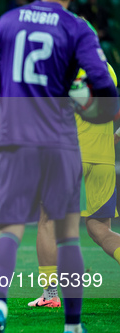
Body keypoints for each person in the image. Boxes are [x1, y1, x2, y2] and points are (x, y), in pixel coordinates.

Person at [0, 0, 119, 333]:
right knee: (73, 235)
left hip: (16, 138)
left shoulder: (8, 21)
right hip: (67, 146)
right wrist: (97, 112)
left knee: (12, 228)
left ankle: (2, 303)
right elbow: (107, 93)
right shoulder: (77, 29)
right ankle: (72, 329)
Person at [30, 63, 120, 308]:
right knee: (99, 230)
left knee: (48, 222)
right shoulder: (107, 70)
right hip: (103, 159)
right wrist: (116, 137)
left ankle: (50, 295)